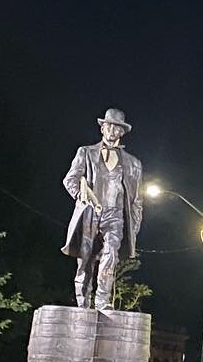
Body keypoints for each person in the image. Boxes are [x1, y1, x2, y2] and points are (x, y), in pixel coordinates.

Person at [61, 108, 143, 310]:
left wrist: (134, 225)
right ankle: (83, 303)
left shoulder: (133, 164)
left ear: (122, 132)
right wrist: (81, 195)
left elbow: (136, 199)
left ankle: (102, 300)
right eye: (109, 126)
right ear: (102, 128)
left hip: (115, 215)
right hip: (90, 212)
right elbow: (70, 179)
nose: (112, 131)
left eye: (117, 128)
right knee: (85, 260)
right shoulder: (86, 152)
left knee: (111, 254)